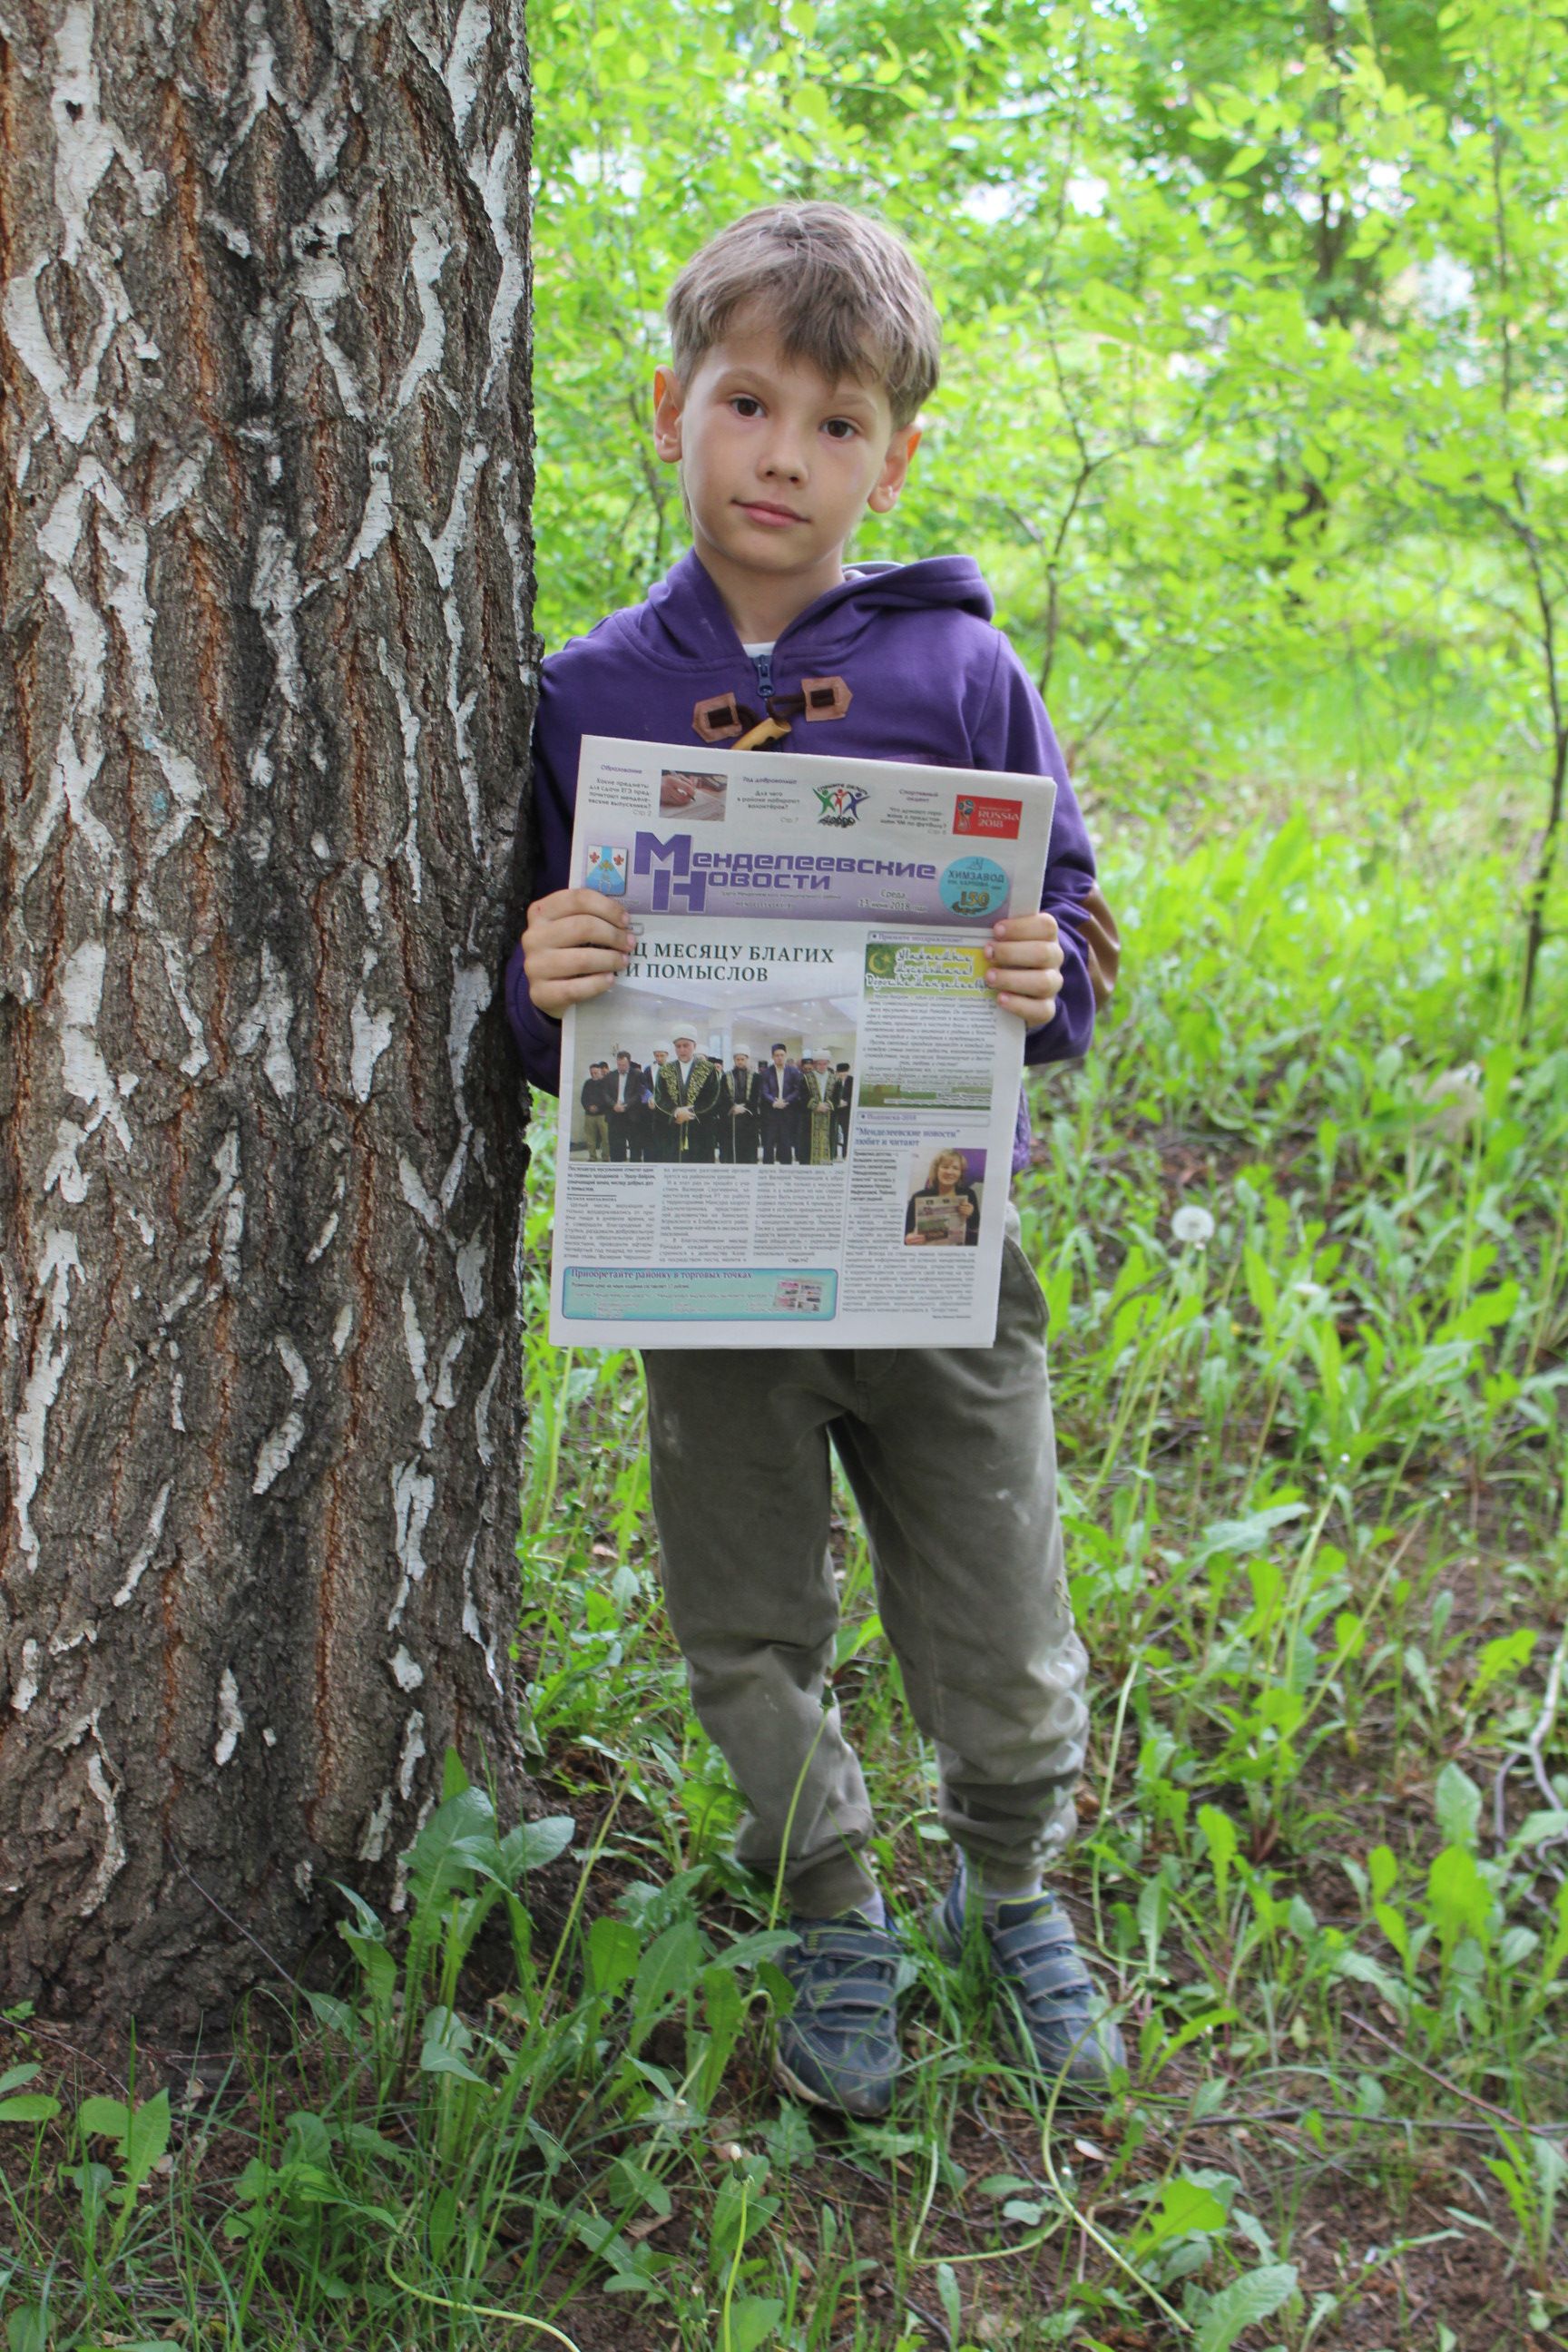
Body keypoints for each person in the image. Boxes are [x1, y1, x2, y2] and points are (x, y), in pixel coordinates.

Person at [507, 201, 1121, 2121]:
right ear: (669, 407)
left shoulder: (961, 676)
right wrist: (546, 981)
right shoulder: (584, 692)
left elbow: (1078, 923)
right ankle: (837, 1905)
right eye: (749, 402)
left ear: (897, 455)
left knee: (1003, 1612)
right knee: (743, 1618)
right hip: (716, 1267)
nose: (785, 456)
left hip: (942, 1239)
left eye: (837, 424)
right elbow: (541, 1024)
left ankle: (1007, 1894)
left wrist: (1045, 971)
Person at [652, 1028, 722, 1161]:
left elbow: (713, 1097)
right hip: (673, 1127)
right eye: (678, 1046)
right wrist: (676, 1111)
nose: (682, 1050)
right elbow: (660, 1097)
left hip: (700, 1128)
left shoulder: (708, 1068)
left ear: (694, 1046)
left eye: (686, 1045)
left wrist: (689, 1112)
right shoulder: (665, 1070)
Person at [905, 1149, 980, 1246]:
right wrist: (907, 1238)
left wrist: (971, 1214)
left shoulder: (969, 1194)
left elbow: (975, 1228)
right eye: (945, 1167)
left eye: (955, 1168)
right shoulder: (918, 1197)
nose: (949, 1172)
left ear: (961, 1173)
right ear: (936, 1170)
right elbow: (906, 1232)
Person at [757, 1041, 805, 1165]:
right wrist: (774, 1102)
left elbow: (797, 1090)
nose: (779, 1057)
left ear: (785, 1055)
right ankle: (767, 1171)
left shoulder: (794, 1072)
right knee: (768, 1143)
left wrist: (786, 1101)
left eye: (782, 1055)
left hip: (787, 1112)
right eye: (777, 1055)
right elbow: (764, 1090)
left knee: (786, 1143)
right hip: (770, 1113)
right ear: (773, 1057)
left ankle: (786, 1170)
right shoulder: (766, 1073)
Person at [604, 1049, 649, 1162]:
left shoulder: (638, 1075)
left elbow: (640, 1093)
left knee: (635, 1146)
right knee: (616, 1146)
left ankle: (635, 1171)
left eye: (623, 1065)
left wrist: (627, 1105)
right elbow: (605, 1093)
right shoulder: (610, 1076)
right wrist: (614, 1105)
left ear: (629, 1062)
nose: (621, 1067)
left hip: (632, 1116)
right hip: (615, 1115)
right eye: (619, 1065)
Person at [725, 1047, 760, 1164]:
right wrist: (733, 1107)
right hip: (733, 1118)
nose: (740, 1061)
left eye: (742, 1059)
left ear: (747, 1059)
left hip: (749, 1118)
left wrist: (745, 1108)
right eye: (737, 1059)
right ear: (734, 1060)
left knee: (749, 1150)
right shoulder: (726, 1076)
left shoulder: (756, 1077)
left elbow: (757, 1097)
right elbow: (723, 1096)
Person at [580, 1060, 612, 1161]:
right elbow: (583, 1098)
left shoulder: (606, 1083)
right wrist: (589, 1107)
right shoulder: (588, 1083)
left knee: (606, 1139)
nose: (593, 1075)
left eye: (596, 1073)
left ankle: (606, 1157)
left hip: (603, 1115)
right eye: (591, 1073)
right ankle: (592, 1157)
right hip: (589, 1115)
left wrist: (598, 1107)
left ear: (601, 1072)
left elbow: (607, 1099)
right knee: (590, 1139)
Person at [830, 1062, 853, 1159]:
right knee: (833, 1133)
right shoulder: (832, 1081)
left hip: (846, 1112)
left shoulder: (852, 1081)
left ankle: (845, 1154)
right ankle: (833, 1154)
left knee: (846, 1133)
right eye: (840, 1074)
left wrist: (846, 1102)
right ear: (837, 1073)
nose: (843, 1076)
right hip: (835, 1111)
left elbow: (854, 1096)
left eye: (845, 1074)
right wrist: (836, 1102)